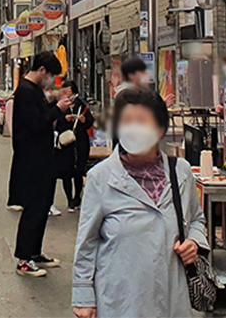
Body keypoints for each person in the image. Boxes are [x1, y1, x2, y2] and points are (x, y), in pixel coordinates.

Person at [72, 88, 207, 318]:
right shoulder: (101, 177)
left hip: (171, 298)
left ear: (160, 129)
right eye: (127, 122)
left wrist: (194, 241)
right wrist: (83, 297)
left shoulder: (181, 172)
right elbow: (87, 243)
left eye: (142, 122)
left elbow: (196, 219)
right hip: (122, 301)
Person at [12, 52, 73, 277]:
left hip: (43, 157)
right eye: (52, 76)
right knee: (34, 209)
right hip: (32, 160)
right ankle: (24, 260)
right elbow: (37, 124)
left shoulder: (33, 91)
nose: (52, 81)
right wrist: (58, 110)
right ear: (43, 71)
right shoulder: (26, 92)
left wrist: (56, 108)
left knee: (42, 206)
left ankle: (34, 252)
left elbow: (42, 117)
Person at [57, 81, 94, 212]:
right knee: (66, 172)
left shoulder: (81, 105)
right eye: (64, 90)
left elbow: (90, 122)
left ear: (73, 90)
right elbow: (55, 122)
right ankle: (69, 200)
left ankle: (77, 197)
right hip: (66, 142)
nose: (65, 93)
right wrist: (64, 119)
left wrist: (84, 121)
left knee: (79, 170)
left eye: (67, 90)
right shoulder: (61, 105)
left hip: (80, 142)